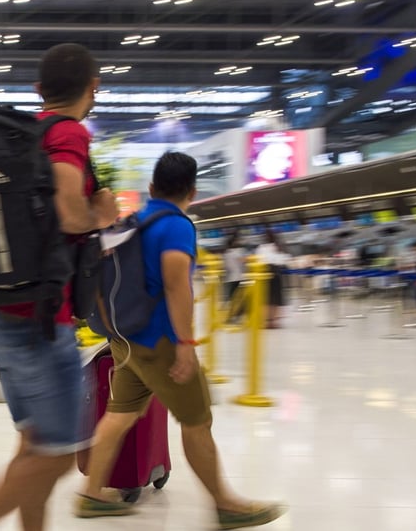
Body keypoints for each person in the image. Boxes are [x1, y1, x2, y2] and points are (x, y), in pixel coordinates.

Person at [0, 43, 119, 531]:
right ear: (93, 88)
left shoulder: (26, 136)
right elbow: (67, 208)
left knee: (34, 443)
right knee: (58, 456)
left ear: (39, 90)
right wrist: (100, 215)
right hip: (40, 321)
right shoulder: (68, 134)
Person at [76, 151, 286, 529]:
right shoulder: (176, 226)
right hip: (160, 343)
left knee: (120, 414)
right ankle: (225, 504)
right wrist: (185, 345)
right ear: (192, 190)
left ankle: (91, 493)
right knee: (196, 421)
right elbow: (176, 283)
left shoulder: (135, 222)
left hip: (125, 339)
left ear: (152, 188)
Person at [255, 229, 290, 328]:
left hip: (264, 274)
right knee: (276, 299)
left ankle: (266, 321)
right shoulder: (279, 247)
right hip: (277, 274)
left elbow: (258, 260)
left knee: (266, 299)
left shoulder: (260, 248)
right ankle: (274, 322)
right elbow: (284, 261)